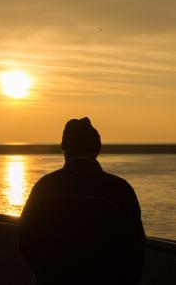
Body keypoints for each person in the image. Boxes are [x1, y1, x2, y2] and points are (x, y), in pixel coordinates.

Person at [18, 117, 145, 285]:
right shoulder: (119, 190)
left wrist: (44, 271)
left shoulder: (44, 187)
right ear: (96, 149)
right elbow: (134, 247)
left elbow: (24, 237)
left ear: (64, 148)